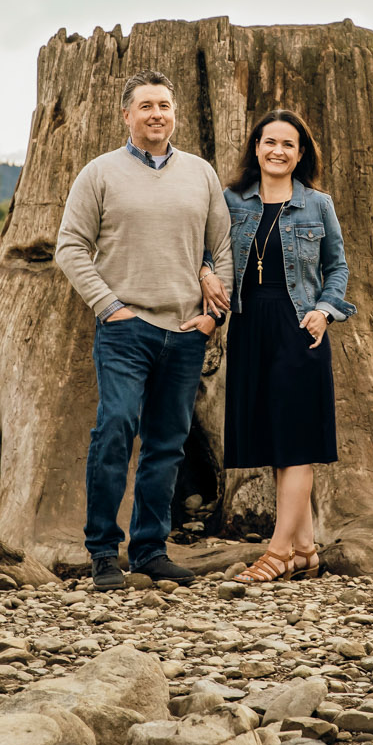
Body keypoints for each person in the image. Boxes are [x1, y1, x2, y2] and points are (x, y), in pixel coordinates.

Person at [56, 70, 234, 592]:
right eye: (146, 106)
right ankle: (103, 553)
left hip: (185, 332)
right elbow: (70, 246)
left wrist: (212, 316)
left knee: (166, 445)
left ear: (174, 113)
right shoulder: (100, 173)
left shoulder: (200, 174)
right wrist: (109, 306)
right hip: (125, 330)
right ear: (127, 115)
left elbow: (222, 248)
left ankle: (151, 550)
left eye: (165, 105)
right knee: (113, 430)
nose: (157, 114)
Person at [220, 109, 353, 584]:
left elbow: (338, 268)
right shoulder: (231, 200)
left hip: (300, 325)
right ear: (256, 147)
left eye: (288, 144)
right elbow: (208, 253)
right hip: (248, 323)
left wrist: (325, 309)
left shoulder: (318, 204)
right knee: (276, 440)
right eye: (269, 141)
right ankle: (304, 549)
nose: (278, 151)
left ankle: (277, 553)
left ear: (301, 154)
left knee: (296, 441)